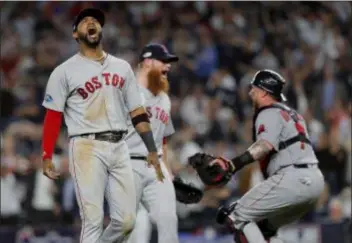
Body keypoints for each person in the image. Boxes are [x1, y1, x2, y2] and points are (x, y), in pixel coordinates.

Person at [41, 8, 164, 243]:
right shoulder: (64, 71)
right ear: (75, 34)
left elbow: (137, 112)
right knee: (93, 220)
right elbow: (53, 116)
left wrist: (150, 148)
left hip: (120, 145)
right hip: (86, 146)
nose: (92, 22)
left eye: (96, 20)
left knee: (127, 221)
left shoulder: (121, 67)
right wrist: (47, 154)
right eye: (85, 20)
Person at [189, 69, 325, 243]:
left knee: (236, 216)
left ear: (265, 92)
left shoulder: (268, 112)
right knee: (264, 229)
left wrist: (233, 165)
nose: (250, 92)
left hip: (292, 178)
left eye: (254, 88)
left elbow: (264, 146)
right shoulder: (294, 114)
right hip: (313, 182)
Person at [125, 44, 179, 243]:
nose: (168, 66)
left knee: (168, 219)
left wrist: (169, 170)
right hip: (126, 163)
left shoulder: (164, 99)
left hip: (156, 166)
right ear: (147, 62)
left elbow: (162, 137)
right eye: (163, 61)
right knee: (134, 225)